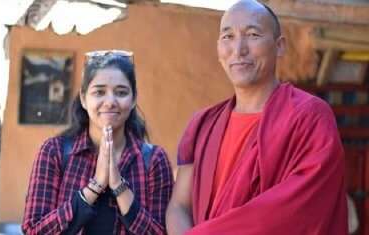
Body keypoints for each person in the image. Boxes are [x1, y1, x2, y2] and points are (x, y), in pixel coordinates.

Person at [166, 1, 348, 234]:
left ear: (279, 46)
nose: (238, 49)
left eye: (252, 34)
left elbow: (296, 212)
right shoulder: (203, 124)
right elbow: (179, 206)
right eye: (227, 37)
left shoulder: (309, 116)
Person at [22, 50, 174, 234]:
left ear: (133, 99)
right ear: (84, 98)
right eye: (99, 92)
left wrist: (118, 185)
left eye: (121, 92)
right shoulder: (54, 151)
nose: (110, 102)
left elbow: (162, 232)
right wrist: (96, 185)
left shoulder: (154, 160)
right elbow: (34, 230)